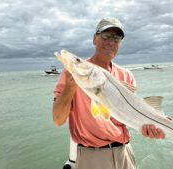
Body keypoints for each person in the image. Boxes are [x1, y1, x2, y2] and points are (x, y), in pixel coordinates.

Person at [52, 17, 166, 169]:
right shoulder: (70, 75)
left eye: (116, 38)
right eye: (106, 36)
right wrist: (69, 87)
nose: (111, 42)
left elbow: (129, 116)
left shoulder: (127, 75)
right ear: (95, 38)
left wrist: (150, 128)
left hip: (124, 152)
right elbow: (58, 119)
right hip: (91, 156)